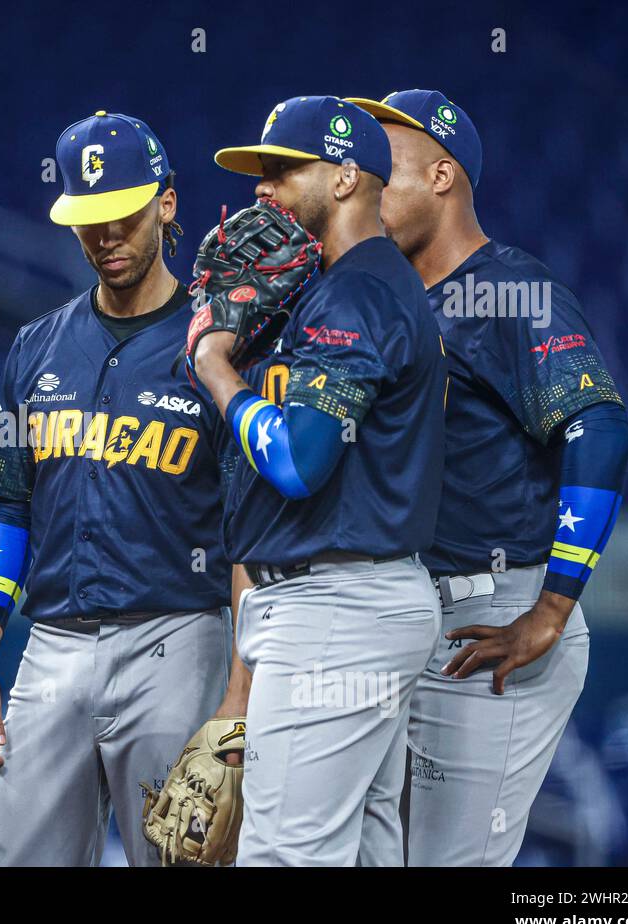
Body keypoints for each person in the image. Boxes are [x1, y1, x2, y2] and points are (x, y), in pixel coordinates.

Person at [348, 89, 628, 865]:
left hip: (494, 617)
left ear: (443, 177)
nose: (368, 191)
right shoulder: (391, 300)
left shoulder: (508, 289)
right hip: (408, 612)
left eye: (389, 174)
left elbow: (599, 428)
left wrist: (552, 607)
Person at [0, 111, 243, 867]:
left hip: (177, 639)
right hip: (51, 642)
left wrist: (240, 698)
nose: (106, 236)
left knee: (182, 858)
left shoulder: (216, 348)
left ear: (167, 203)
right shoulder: (36, 346)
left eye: (123, 214)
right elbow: (7, 507)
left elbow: (252, 531)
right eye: (89, 220)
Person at [199, 95, 445, 865]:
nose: (262, 189)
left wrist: (215, 370)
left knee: (283, 854)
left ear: (345, 179)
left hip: (337, 609)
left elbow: (300, 463)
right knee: (360, 852)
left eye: (282, 170)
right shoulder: (338, 288)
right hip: (346, 601)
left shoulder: (358, 292)